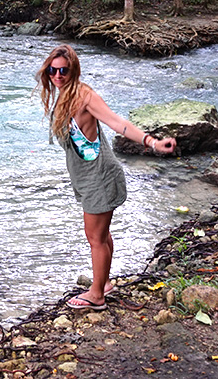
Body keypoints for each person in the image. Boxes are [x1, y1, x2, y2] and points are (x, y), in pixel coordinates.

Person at [37, 43, 176, 310]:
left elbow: (116, 123)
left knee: (95, 238)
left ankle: (97, 296)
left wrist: (152, 143)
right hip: (87, 176)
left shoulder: (85, 96)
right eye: (52, 70)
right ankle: (104, 282)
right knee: (101, 234)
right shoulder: (64, 94)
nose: (57, 76)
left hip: (99, 176)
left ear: (73, 70)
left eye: (63, 70)